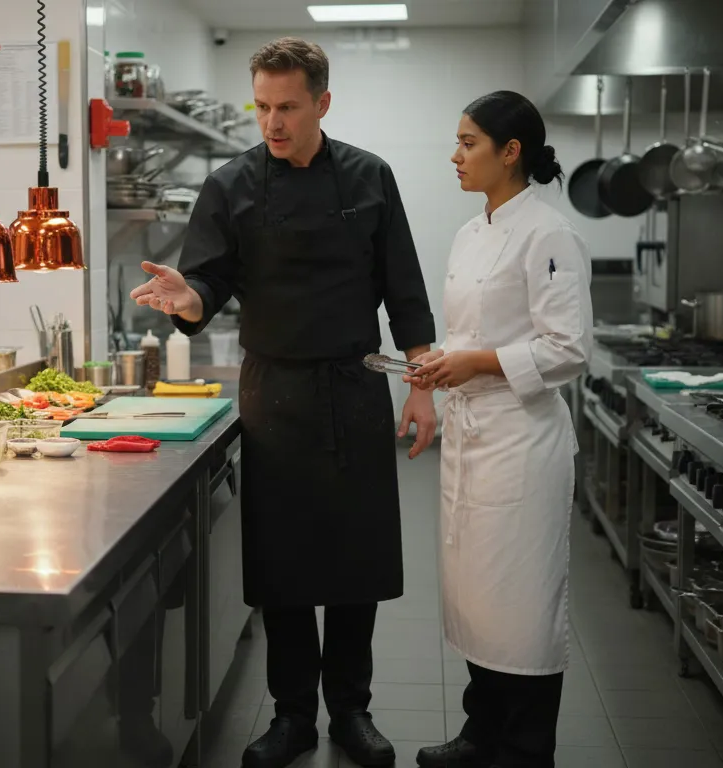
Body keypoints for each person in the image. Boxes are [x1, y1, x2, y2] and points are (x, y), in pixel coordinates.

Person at [130, 37, 437, 768]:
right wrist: (188, 298)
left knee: (355, 563)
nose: (273, 122)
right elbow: (205, 285)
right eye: (263, 107)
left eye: (288, 107)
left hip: (357, 383)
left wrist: (421, 386)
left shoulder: (368, 177)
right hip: (273, 392)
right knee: (285, 566)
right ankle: (293, 716)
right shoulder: (230, 186)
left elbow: (406, 288)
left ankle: (351, 712)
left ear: (322, 103)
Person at [405, 92, 592, 768]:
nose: (454, 156)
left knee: (522, 605)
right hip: (473, 437)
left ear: (510, 152)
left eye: (468, 143)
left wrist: (475, 362)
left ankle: (522, 747)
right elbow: (472, 331)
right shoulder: (469, 232)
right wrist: (438, 363)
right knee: (478, 598)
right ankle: (481, 732)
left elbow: (568, 348)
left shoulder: (548, 233)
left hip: (522, 444)